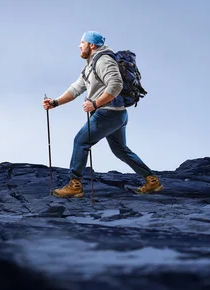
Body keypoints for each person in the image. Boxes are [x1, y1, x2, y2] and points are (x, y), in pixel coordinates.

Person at [42, 31, 162, 197]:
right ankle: (152, 180)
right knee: (120, 149)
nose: (79, 46)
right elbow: (76, 88)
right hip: (117, 115)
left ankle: (75, 185)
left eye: (82, 42)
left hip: (107, 114)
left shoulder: (104, 60)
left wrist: (95, 103)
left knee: (80, 142)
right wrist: (55, 102)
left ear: (92, 45)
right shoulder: (92, 64)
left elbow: (116, 85)